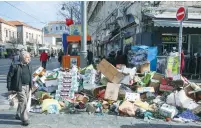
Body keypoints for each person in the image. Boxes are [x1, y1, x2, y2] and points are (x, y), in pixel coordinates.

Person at [7, 51, 32, 126]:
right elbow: (9, 77)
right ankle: (24, 119)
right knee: (23, 101)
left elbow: (30, 75)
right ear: (22, 58)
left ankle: (18, 114)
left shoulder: (29, 65)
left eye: (29, 57)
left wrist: (32, 85)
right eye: (27, 57)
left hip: (28, 86)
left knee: (25, 101)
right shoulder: (15, 65)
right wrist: (9, 88)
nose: (29, 59)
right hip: (19, 86)